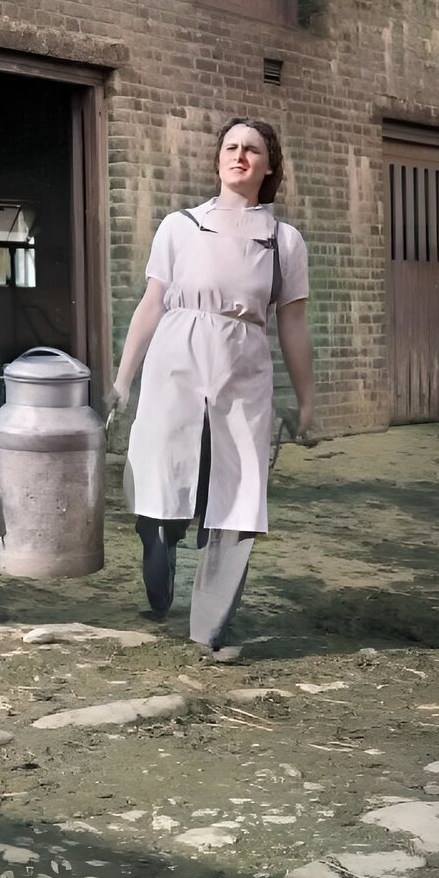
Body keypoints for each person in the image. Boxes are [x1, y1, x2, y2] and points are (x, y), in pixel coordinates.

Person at [110, 117, 313, 660]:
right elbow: (151, 303)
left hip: (242, 365)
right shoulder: (180, 227)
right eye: (231, 146)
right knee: (160, 473)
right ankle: (158, 542)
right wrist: (122, 380)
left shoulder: (283, 241)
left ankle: (208, 629)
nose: (240, 155)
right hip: (175, 356)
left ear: (269, 165)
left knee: (239, 492)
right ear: (217, 158)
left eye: (253, 149)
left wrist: (307, 399)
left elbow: (292, 325)